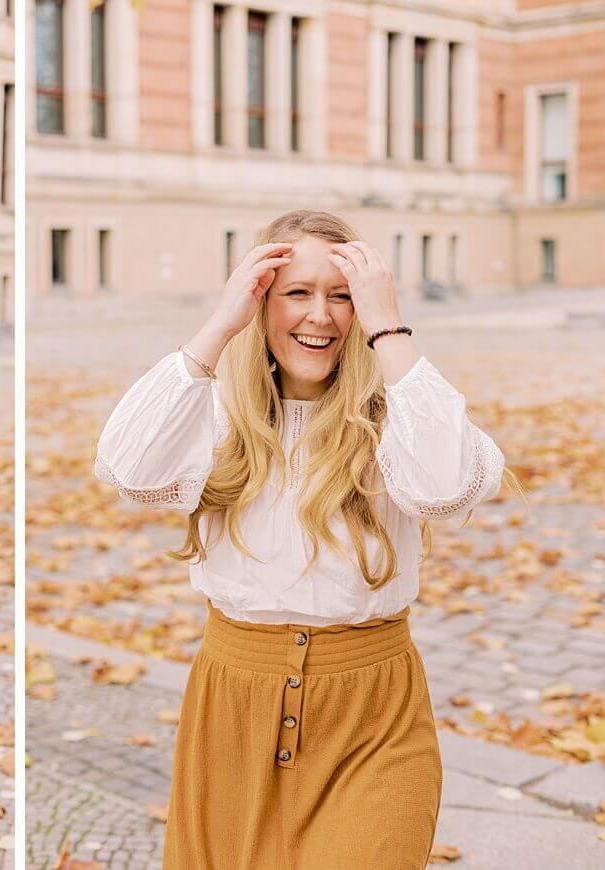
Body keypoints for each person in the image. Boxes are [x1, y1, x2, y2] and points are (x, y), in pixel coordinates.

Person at [95, 210, 512, 869]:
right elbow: (127, 471)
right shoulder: (214, 416)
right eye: (296, 293)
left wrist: (391, 330)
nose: (320, 316)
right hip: (232, 714)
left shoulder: (399, 415)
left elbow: (447, 487)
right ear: (260, 303)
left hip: (373, 720)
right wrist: (219, 325)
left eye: (342, 295)